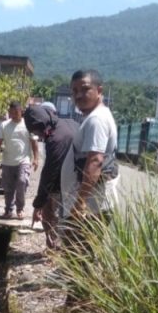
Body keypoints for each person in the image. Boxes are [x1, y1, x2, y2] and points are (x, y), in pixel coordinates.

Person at [62, 69, 120, 223]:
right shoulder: (94, 117)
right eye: (75, 91)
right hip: (90, 206)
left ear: (99, 90)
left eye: (85, 89)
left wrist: (80, 202)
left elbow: (95, 161)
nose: (79, 95)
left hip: (91, 208)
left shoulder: (97, 120)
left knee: (78, 247)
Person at [24, 102, 79, 250]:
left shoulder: (56, 139)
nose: (39, 136)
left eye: (37, 133)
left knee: (54, 217)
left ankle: (56, 249)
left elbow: (49, 172)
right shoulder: (70, 123)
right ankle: (59, 249)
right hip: (77, 182)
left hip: (63, 186)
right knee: (65, 219)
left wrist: (38, 204)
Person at [0, 101, 39, 219]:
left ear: (21, 111)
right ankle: (8, 209)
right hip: (7, 161)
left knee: (22, 182)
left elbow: (34, 142)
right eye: (11, 112)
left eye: (16, 112)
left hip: (23, 160)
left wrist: (36, 158)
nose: (13, 115)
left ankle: (20, 208)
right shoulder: (4, 125)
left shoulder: (28, 125)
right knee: (8, 188)